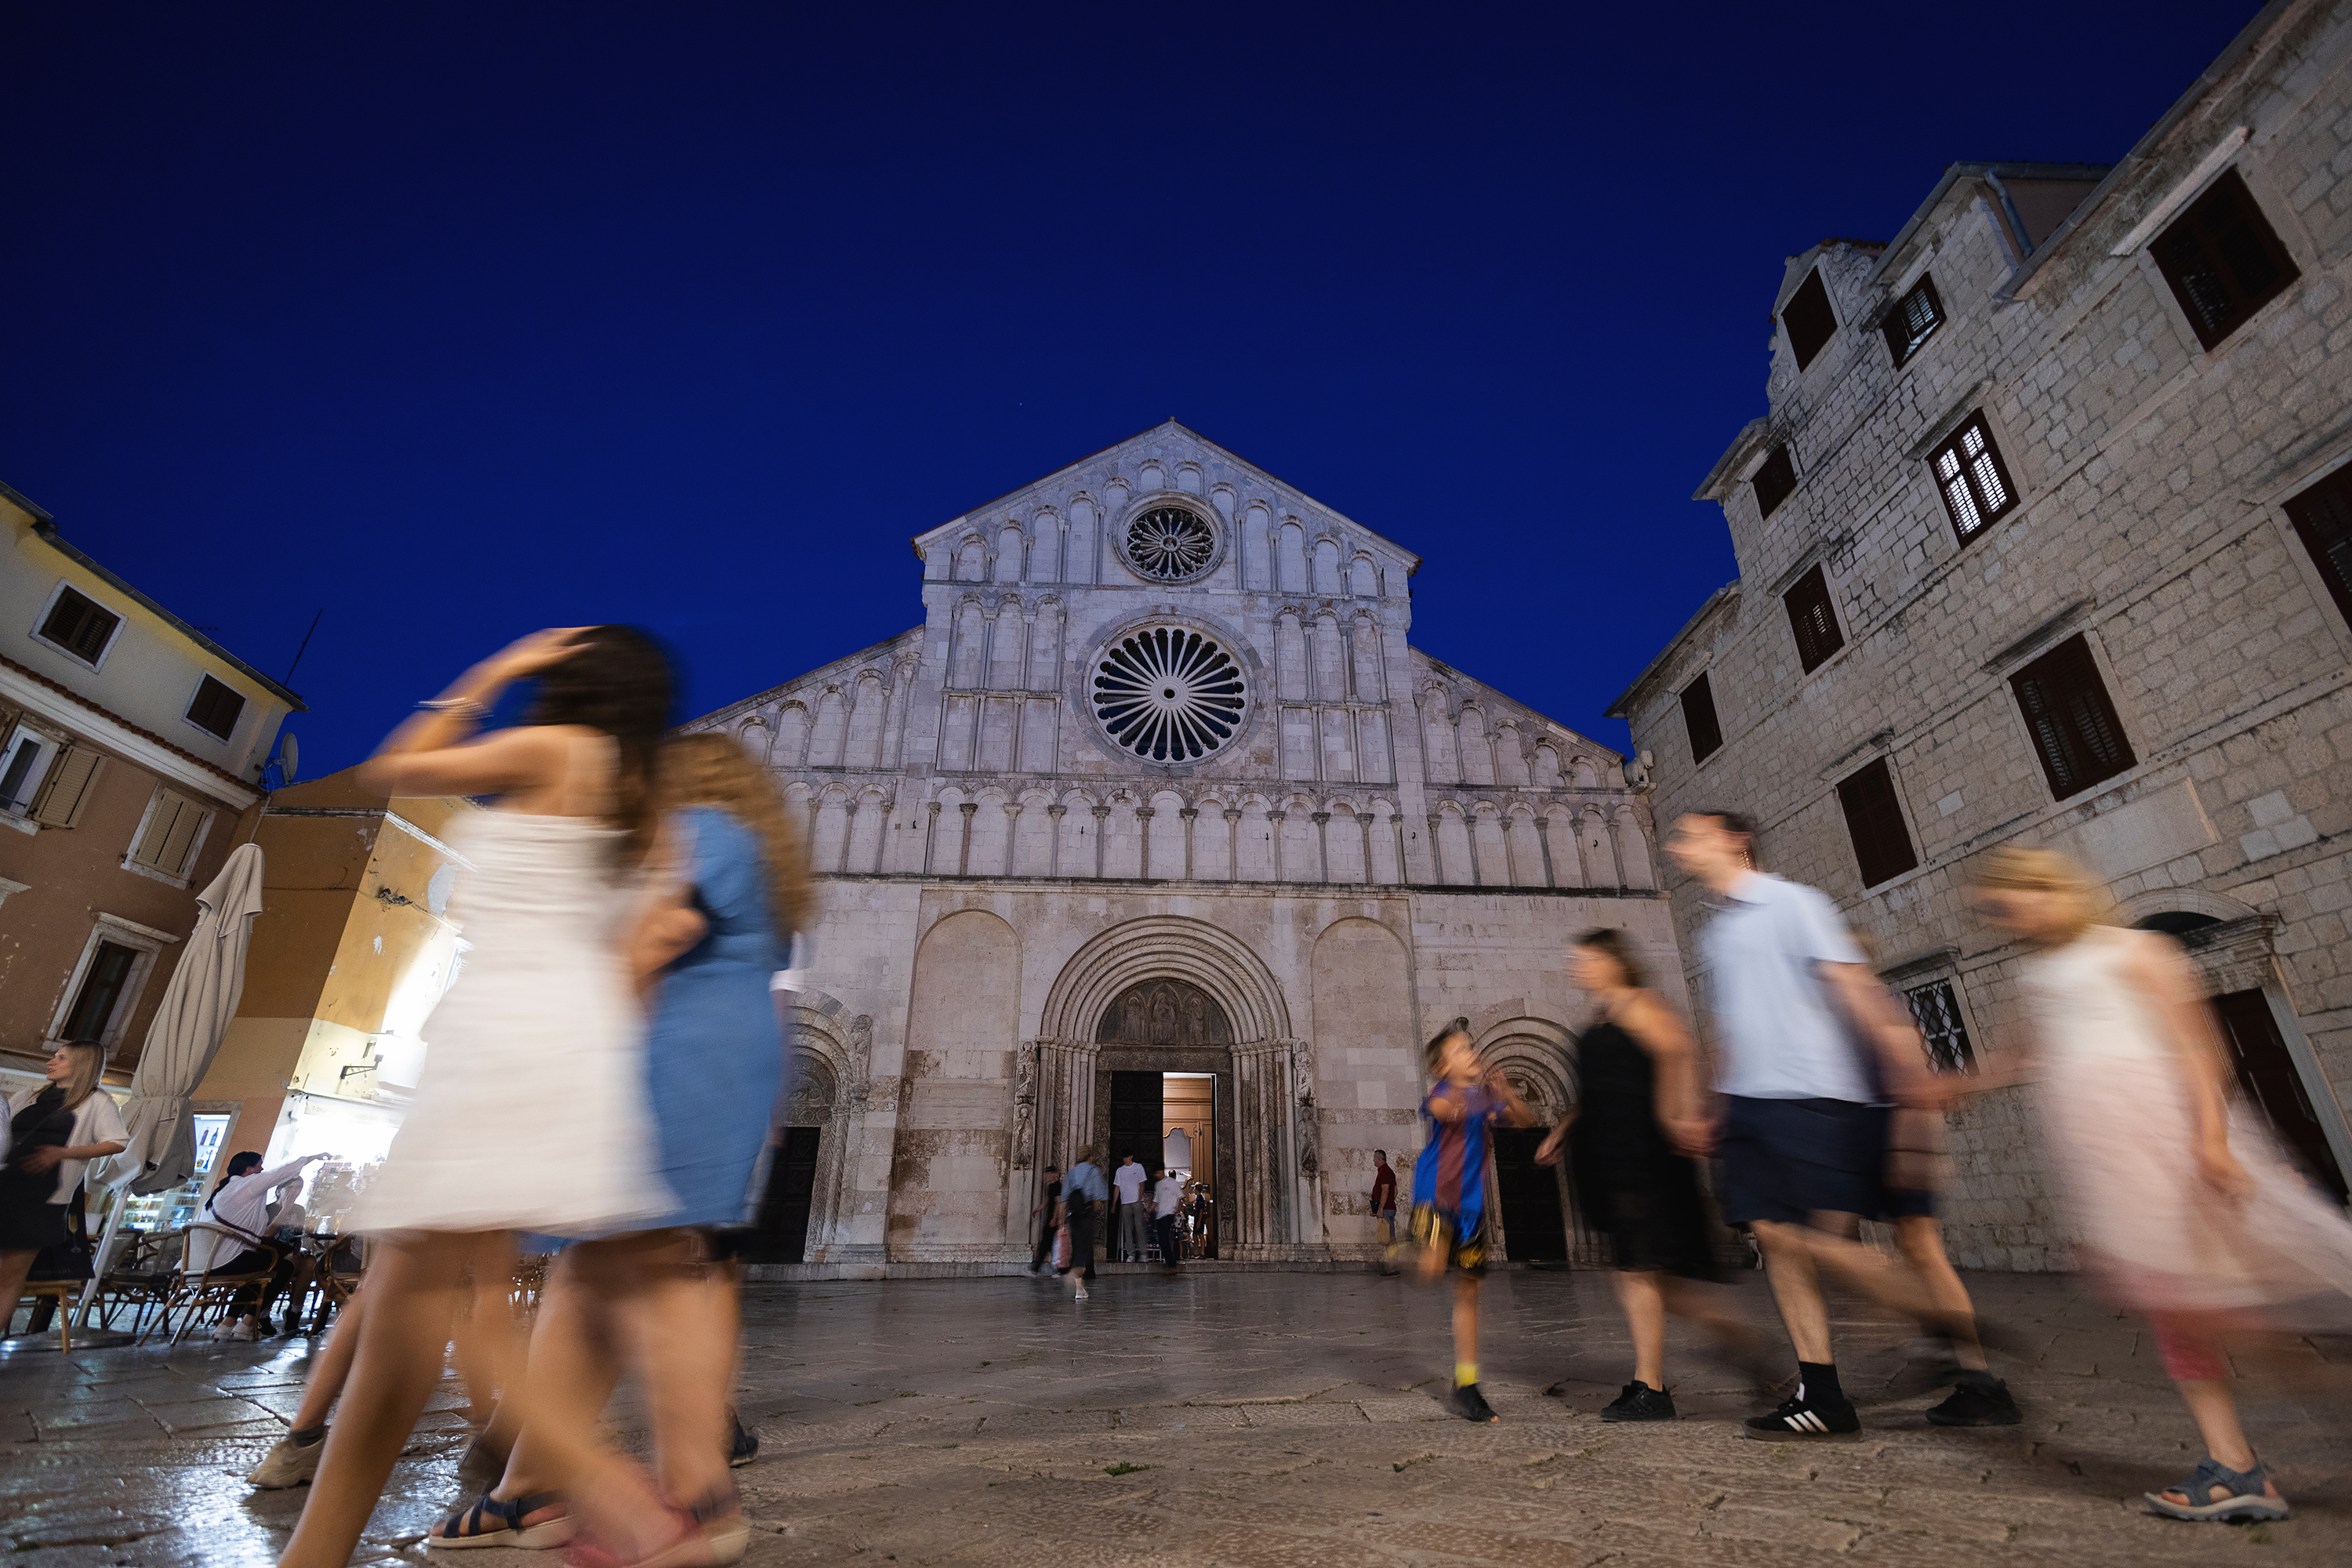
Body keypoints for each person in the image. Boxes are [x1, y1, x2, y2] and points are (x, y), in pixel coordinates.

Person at [280, 626, 681, 1568]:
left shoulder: (557, 747)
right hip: (562, 1044)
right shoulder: (645, 801)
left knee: (430, 1299)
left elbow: (394, 767)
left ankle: (623, 1505)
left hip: (495, 1038)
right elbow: (646, 952)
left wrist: (494, 671)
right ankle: (317, 1548)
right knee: (434, 1302)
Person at [429, 731, 807, 1559]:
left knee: (630, 1272)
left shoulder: (703, 834)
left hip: (665, 1077)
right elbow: (773, 994)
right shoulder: (766, 870)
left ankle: (690, 1493)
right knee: (597, 1276)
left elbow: (648, 932)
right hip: (719, 1082)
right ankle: (536, 1486)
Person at [1971, 847, 2352, 1523]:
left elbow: (2203, 1052)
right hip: (2111, 1166)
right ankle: (2234, 1465)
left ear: (2063, 890)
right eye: (2006, 903)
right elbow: (2012, 1060)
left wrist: (2210, 1142)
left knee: (2244, 1314)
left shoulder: (2136, 951)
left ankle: (2243, 1462)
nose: (2021, 909)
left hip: (2166, 1146)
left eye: (2031, 892)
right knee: (2183, 1310)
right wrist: (1937, 1088)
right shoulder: (2035, 979)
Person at [1662, 809, 2004, 1440]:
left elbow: (1857, 989)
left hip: (1808, 1094)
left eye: (1691, 834)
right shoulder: (1717, 934)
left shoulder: (1795, 904)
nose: (1677, 845)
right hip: (1750, 1103)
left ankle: (1957, 1336)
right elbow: (1731, 1024)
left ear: (1736, 842)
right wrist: (1715, 1105)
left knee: (1825, 1241)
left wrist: (1907, 1090)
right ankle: (1821, 1394)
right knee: (1778, 1240)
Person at [1537, 929, 1767, 1422]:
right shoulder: (1603, 1014)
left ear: (1613, 962)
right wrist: (1564, 1127)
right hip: (1613, 1156)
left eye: (1586, 958)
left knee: (1638, 1271)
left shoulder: (1639, 1005)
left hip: (1642, 1156)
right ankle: (1743, 1341)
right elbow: (1601, 1086)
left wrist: (1675, 1116)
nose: (1578, 966)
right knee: (1658, 1279)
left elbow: (1680, 1052)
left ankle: (1652, 1387)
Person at [1410, 1024, 1537, 1423]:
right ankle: (1413, 1252)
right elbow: (1439, 1110)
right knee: (1432, 1269)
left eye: (1471, 1046)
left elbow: (1526, 1120)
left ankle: (1466, 1383)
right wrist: (1463, 1106)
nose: (1472, 1052)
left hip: (1470, 1207)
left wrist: (1507, 1096)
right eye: (1462, 1049)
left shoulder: (1485, 1098)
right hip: (1433, 1198)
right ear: (1443, 1067)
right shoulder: (1444, 1093)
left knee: (1468, 1293)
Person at [0, 1043, 127, 1331]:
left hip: (41, 1197)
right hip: (5, 1186)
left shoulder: (96, 1101)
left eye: (61, 1058)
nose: (51, 1061)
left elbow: (117, 1142)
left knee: (9, 1274)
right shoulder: (29, 1095)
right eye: (53, 1056)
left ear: (80, 1065)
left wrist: (62, 1153)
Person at [187, 1149, 332, 1339]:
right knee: (282, 1266)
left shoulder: (221, 1192)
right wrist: (313, 1157)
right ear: (248, 1170)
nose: (262, 1171)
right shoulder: (246, 1185)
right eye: (259, 1167)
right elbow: (279, 1173)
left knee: (264, 1264)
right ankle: (248, 1322)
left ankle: (229, 1323)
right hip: (223, 1263)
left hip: (197, 1265)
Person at [1056, 1145, 1109, 1300]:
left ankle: (1080, 1289)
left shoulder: (1071, 1173)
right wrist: (1095, 1211)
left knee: (1078, 1246)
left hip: (1073, 1216)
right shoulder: (1094, 1172)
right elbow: (1098, 1199)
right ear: (1090, 1158)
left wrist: (1061, 1219)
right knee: (1084, 1248)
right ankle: (1072, 1275)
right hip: (1086, 1214)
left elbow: (1063, 1199)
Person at [1027, 1166, 1062, 1274]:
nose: (1047, 1176)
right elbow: (1048, 1199)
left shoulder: (1057, 1186)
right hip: (1051, 1217)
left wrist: (1054, 1218)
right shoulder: (1051, 1186)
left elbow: (1058, 1203)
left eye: (1049, 1174)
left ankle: (1036, 1268)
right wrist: (1038, 1209)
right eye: (1046, 1174)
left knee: (1046, 1243)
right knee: (1049, 1243)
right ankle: (1060, 1269)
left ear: (1054, 1174)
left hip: (1053, 1218)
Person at [1112, 1152, 1147, 1261]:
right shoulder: (1120, 1171)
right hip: (1125, 1203)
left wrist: (1140, 1198)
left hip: (1136, 1202)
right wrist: (1114, 1204)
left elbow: (1142, 1183)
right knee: (1128, 1229)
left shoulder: (1138, 1167)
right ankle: (1131, 1254)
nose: (1125, 1159)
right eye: (1124, 1157)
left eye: (1127, 1157)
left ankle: (1143, 1253)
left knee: (1139, 1227)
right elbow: (1117, 1188)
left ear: (1131, 1156)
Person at [1369, 1149, 1399, 1275]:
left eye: (1375, 1157)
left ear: (1381, 1159)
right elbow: (1395, 1191)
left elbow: (1386, 1190)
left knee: (1389, 1240)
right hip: (1388, 1208)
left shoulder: (1385, 1171)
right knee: (1389, 1238)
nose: (1374, 1160)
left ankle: (1392, 1269)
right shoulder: (1387, 1171)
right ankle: (1392, 1268)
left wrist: (1381, 1208)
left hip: (1386, 1210)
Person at [1150, 1165, 1183, 1272]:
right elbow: (1156, 1200)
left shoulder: (1172, 1183)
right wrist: (1149, 1210)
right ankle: (1170, 1263)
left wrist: (1177, 1210)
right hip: (1160, 1214)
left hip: (1169, 1214)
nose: (1156, 1175)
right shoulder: (1158, 1185)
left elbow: (1180, 1197)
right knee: (1162, 1240)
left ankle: (1172, 1264)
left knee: (1164, 1239)